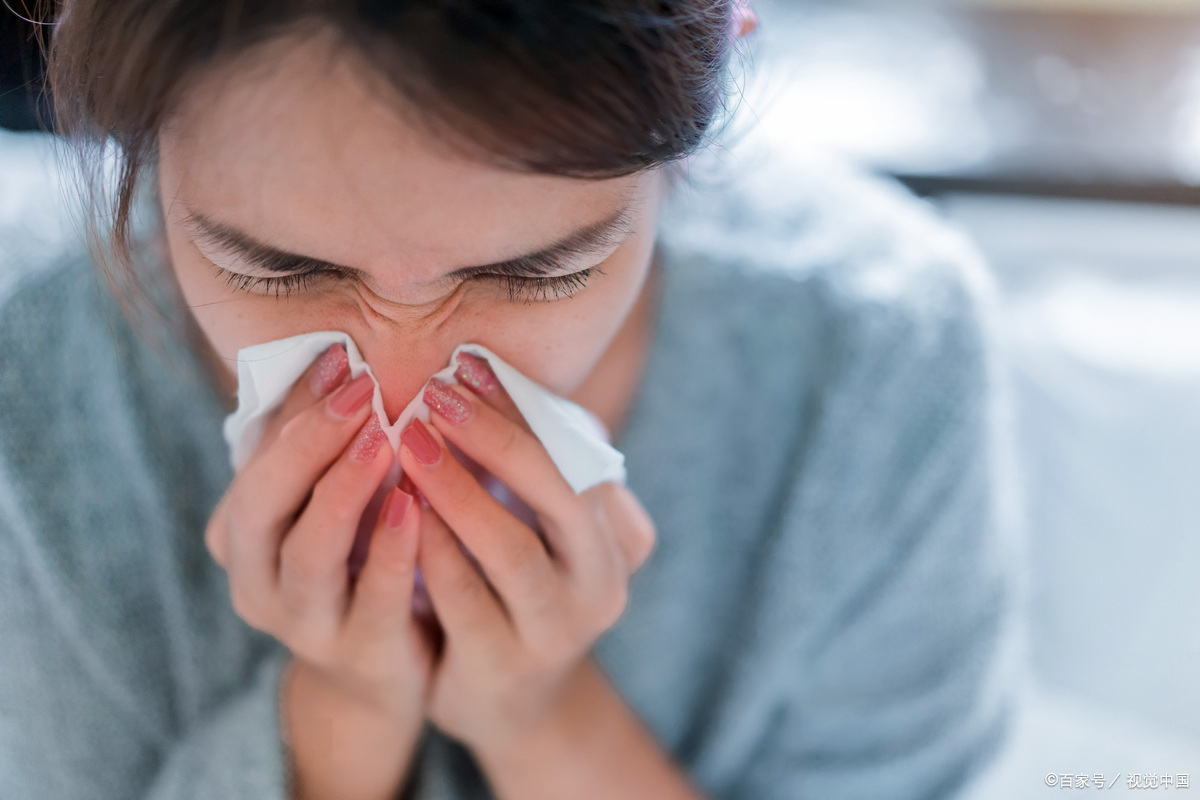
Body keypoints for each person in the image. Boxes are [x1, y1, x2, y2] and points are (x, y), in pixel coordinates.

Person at [0, 1, 1025, 799]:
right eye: (276, 268)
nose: (400, 394)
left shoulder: (876, 358)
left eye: (537, 273)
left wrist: (547, 718)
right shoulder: (29, 374)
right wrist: (337, 720)